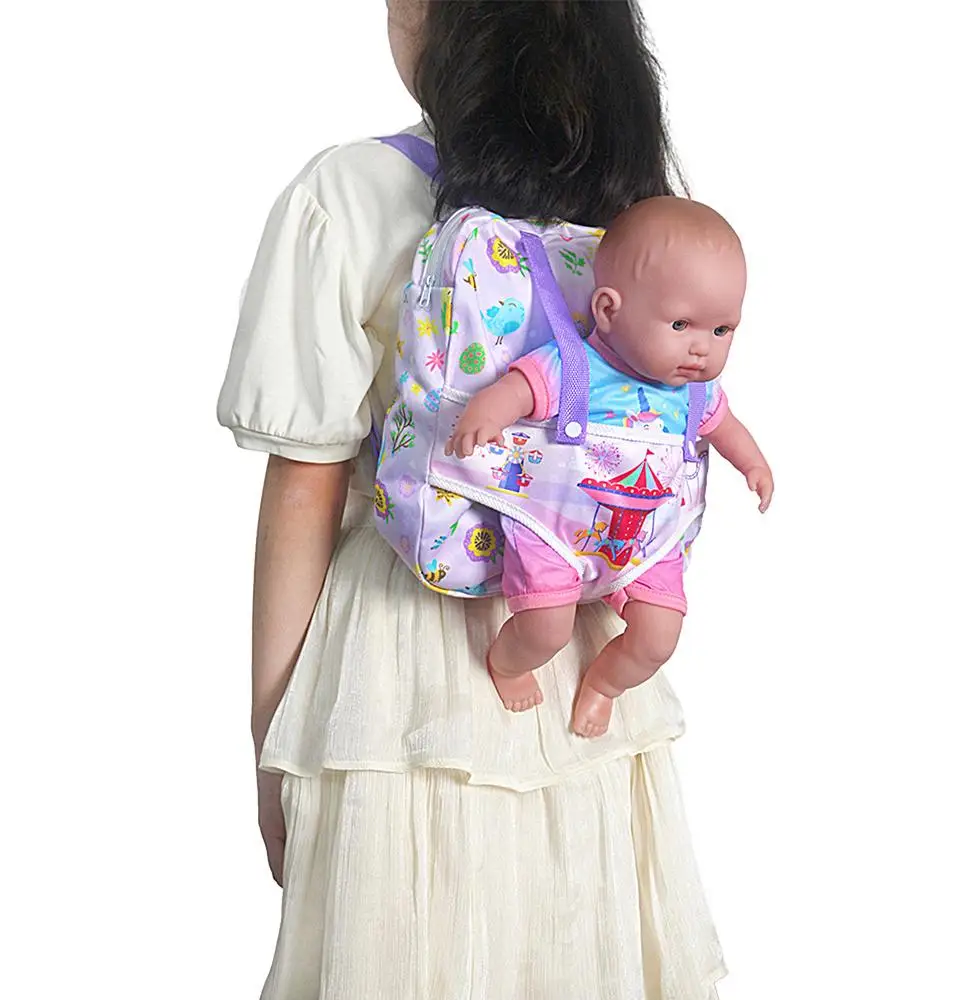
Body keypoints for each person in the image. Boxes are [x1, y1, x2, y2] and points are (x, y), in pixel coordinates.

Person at [217, 2, 727, 996]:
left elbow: (304, 483)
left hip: (398, 660)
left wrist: (273, 740)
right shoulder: (630, 199)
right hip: (586, 653)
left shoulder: (349, 192)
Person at [444, 196, 773, 737]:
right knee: (546, 629)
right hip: (556, 529)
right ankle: (508, 663)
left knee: (658, 638)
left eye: (722, 330)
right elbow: (518, 390)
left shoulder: (696, 393)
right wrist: (486, 413)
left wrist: (753, 464)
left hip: (644, 538)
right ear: (608, 311)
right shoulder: (574, 367)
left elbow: (726, 428)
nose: (702, 349)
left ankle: (605, 683)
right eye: (682, 324)